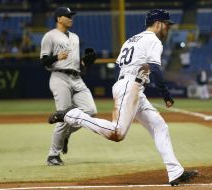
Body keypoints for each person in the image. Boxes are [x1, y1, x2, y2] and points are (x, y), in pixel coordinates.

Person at [48, 9, 198, 186]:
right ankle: (72, 115)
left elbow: (123, 64)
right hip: (130, 86)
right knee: (117, 133)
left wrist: (133, 85)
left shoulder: (132, 39)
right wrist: (165, 94)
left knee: (159, 126)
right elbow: (155, 69)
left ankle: (175, 172)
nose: (168, 28)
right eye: (167, 25)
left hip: (131, 86)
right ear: (158, 24)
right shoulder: (153, 40)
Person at [40, 7, 97, 166]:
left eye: (71, 16)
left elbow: (76, 63)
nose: (71, 18)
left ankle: (65, 135)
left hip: (76, 77)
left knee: (91, 111)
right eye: (68, 16)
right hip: (59, 77)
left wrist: (86, 61)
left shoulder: (75, 37)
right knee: (64, 117)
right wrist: (57, 56)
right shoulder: (50, 36)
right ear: (59, 18)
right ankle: (53, 155)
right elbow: (43, 61)